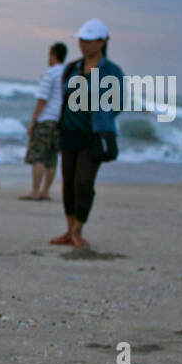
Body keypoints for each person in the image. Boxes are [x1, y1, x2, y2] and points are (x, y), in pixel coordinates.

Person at [51, 19, 124, 250]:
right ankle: (69, 229)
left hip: (94, 135)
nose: (83, 44)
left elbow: (117, 104)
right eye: (81, 40)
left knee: (83, 183)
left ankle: (78, 231)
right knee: (68, 184)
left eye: (89, 40)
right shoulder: (71, 68)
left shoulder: (112, 72)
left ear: (102, 42)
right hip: (69, 132)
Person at [21, 42, 67, 200]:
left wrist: (33, 120)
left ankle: (35, 191)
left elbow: (42, 99)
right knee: (52, 157)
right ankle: (45, 191)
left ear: (53, 55)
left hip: (46, 118)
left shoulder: (51, 73)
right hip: (60, 120)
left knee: (39, 155)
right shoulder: (69, 74)